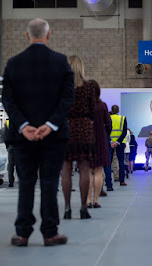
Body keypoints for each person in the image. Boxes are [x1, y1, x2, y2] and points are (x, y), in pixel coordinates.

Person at [2, 18, 74, 246]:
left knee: (25, 182)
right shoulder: (61, 62)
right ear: (48, 35)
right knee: (50, 183)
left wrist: (24, 126)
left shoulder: (13, 64)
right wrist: (50, 124)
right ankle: (50, 232)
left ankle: (22, 233)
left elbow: (8, 100)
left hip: (23, 137)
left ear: (27, 35)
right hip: (53, 136)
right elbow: (67, 98)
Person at [61, 56, 96, 220]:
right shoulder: (89, 87)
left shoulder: (61, 86)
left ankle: (67, 208)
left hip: (66, 129)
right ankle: (83, 207)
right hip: (84, 129)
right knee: (84, 169)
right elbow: (92, 111)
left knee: (66, 169)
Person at [86, 80, 112, 209]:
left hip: (86, 140)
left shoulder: (84, 105)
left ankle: (86, 200)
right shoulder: (102, 106)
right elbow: (108, 123)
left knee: (88, 171)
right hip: (100, 141)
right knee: (98, 171)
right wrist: (104, 134)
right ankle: (95, 200)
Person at [110, 105, 128, 186]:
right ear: (118, 110)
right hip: (120, 143)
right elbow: (124, 132)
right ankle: (122, 181)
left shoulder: (108, 118)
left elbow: (106, 130)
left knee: (108, 162)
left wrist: (111, 141)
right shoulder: (123, 118)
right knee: (121, 162)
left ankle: (108, 182)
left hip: (110, 143)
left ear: (111, 110)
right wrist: (117, 142)